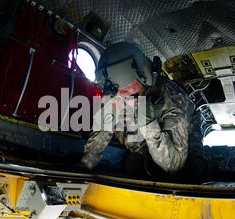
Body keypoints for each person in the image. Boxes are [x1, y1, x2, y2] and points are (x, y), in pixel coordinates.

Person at [79, 42, 197, 177]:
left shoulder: (171, 96)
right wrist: (86, 165)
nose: (121, 95)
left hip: (182, 154)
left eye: (126, 87)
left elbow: (173, 165)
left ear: (143, 74)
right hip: (143, 149)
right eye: (117, 91)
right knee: (133, 169)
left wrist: (147, 122)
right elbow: (102, 130)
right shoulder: (118, 92)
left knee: (189, 174)